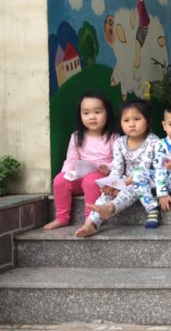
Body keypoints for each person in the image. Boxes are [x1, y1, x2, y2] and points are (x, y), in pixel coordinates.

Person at [75, 99, 159, 237]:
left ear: (148, 121)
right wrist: (111, 184)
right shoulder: (119, 142)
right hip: (125, 180)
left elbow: (143, 168)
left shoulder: (153, 141)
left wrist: (121, 185)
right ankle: (91, 224)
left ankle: (110, 208)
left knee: (134, 186)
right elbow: (117, 169)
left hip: (147, 179)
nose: (131, 124)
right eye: (126, 120)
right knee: (106, 194)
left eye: (137, 119)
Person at [44, 91, 118, 231]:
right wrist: (66, 175)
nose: (92, 117)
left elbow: (119, 161)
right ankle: (62, 217)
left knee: (90, 180)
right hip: (81, 176)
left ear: (107, 113)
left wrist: (108, 167)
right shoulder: (77, 136)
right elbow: (71, 161)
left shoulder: (113, 137)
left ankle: (90, 220)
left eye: (97, 112)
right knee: (60, 180)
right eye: (86, 113)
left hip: (103, 179)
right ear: (80, 116)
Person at [129, 0, 152, 69]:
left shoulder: (141, 3)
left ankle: (138, 59)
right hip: (141, 26)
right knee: (137, 43)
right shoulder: (139, 4)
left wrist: (133, 18)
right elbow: (135, 11)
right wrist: (133, 19)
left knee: (138, 43)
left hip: (144, 26)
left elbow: (136, 11)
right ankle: (138, 59)